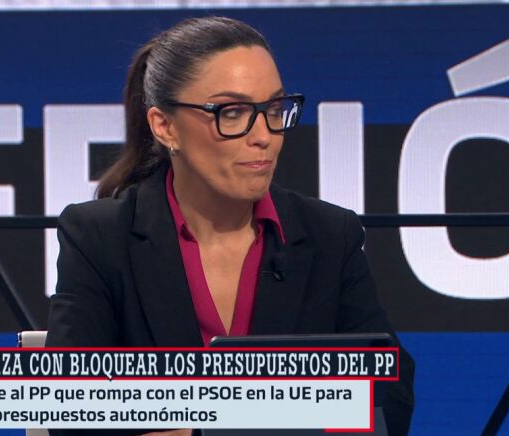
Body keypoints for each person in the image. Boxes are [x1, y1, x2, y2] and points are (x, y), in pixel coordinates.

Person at [46, 16, 414, 436]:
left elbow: (390, 391)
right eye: (233, 112)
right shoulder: (100, 237)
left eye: (273, 110)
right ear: (165, 127)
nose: (264, 136)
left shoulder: (330, 234)